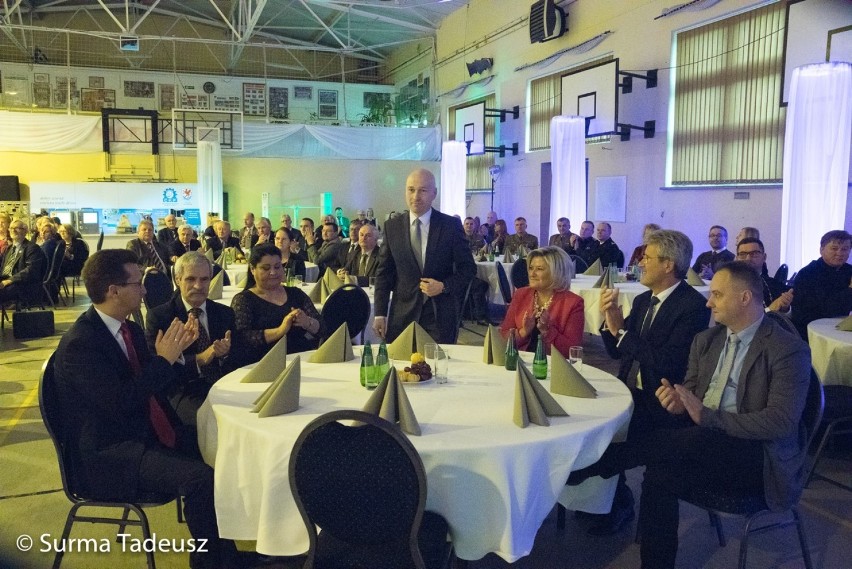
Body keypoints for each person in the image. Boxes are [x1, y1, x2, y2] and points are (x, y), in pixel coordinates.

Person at [570, 261, 811, 569]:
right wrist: (678, 402)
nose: (708, 302)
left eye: (717, 295)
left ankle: (592, 465)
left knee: (677, 441)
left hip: (758, 456)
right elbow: (692, 395)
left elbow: (780, 423)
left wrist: (706, 417)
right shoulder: (707, 341)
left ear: (745, 298)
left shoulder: (786, 349)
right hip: (702, 441)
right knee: (659, 473)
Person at [53, 249, 239, 569]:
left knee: (223, 448)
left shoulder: (129, 328)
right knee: (200, 480)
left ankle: (227, 555)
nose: (144, 290)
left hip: (140, 432)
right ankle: (209, 563)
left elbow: (155, 387)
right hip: (108, 453)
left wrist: (177, 356)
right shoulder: (80, 344)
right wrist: (164, 360)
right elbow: (121, 403)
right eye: (137, 284)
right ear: (114, 291)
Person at [593, 229, 711, 535]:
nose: (640, 262)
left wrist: (621, 332)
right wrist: (610, 321)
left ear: (668, 264)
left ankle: (617, 504)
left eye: (646, 257)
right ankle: (609, 500)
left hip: (662, 403)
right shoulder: (645, 300)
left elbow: (667, 364)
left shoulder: (692, 307)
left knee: (606, 447)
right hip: (631, 391)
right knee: (589, 429)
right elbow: (617, 352)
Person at [373, 168, 476, 343]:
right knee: (400, 366)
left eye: (423, 190)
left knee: (437, 366)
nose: (416, 196)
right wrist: (380, 313)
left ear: (434, 193)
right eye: (411, 190)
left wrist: (444, 286)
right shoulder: (392, 227)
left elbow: (468, 269)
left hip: (439, 314)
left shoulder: (450, 226)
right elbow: (384, 274)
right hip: (402, 314)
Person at [146, 252, 236, 425]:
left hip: (225, 384)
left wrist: (225, 353)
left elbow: (239, 355)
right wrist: (200, 359)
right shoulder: (160, 317)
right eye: (190, 279)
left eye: (204, 279)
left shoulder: (224, 313)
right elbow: (156, 368)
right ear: (178, 280)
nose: (198, 286)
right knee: (213, 421)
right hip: (183, 389)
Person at [231, 243, 324, 366]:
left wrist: (307, 322)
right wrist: (280, 331)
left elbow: (323, 328)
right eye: (266, 268)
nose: (273, 272)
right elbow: (241, 339)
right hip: (262, 363)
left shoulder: (295, 294)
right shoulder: (244, 300)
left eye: (277, 267)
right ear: (252, 269)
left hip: (301, 359)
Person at [500, 246, 584, 355]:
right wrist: (523, 332)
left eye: (539, 269)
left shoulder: (573, 303)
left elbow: (572, 351)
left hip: (553, 366)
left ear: (556, 272)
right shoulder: (521, 294)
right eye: (531, 268)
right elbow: (503, 336)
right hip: (520, 360)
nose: (532, 274)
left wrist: (547, 331)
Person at [790, 229, 852, 340]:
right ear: (821, 250)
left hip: (842, 327)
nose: (840, 253)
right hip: (811, 332)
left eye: (845, 249)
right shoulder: (808, 273)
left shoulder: (848, 271)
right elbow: (827, 308)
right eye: (834, 249)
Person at [736, 237, 793, 313]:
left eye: (754, 254)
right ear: (737, 258)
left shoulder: (774, 284)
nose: (748, 258)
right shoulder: (729, 286)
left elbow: (789, 315)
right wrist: (770, 310)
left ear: (764, 257)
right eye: (743, 254)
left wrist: (785, 307)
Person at [0, 219, 47, 304]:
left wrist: (9, 281)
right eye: (11, 228)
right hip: (5, 281)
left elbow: (31, 270)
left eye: (17, 228)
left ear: (25, 231)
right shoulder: (8, 248)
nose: (13, 230)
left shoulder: (32, 248)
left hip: (22, 285)